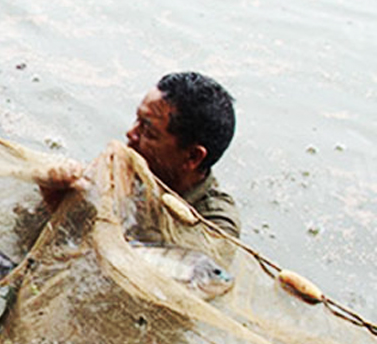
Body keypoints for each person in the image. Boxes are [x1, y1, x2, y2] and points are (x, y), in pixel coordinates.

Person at [37, 72, 241, 237]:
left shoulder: (218, 226)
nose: (131, 134)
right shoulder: (121, 170)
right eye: (137, 120)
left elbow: (161, 264)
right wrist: (55, 202)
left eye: (148, 132)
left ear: (192, 157)